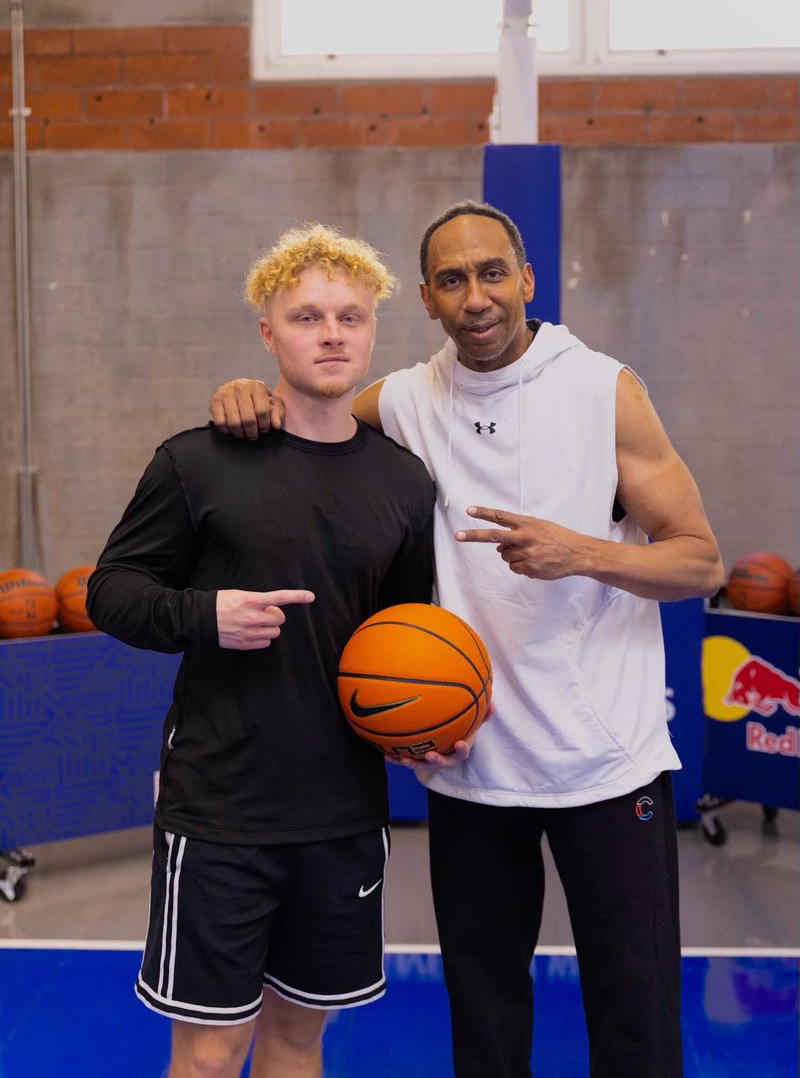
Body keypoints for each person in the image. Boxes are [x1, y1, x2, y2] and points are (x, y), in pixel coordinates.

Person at [209, 200, 724, 1078]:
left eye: (492, 273)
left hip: (607, 763)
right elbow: (315, 412)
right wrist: (247, 393)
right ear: (426, 298)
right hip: (472, 762)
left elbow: (701, 562)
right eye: (452, 280)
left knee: (635, 1018)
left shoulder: (604, 389)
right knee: (484, 1021)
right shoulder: (409, 397)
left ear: (526, 280)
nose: (475, 296)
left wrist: (582, 552)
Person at [86, 224, 435, 1078]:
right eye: (308, 315)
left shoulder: (402, 481)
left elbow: (406, 637)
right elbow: (111, 592)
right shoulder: (197, 463)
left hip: (343, 815)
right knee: (209, 1055)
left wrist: (423, 720)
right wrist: (206, 615)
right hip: (221, 812)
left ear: (373, 330)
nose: (331, 333)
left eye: (350, 316)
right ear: (268, 331)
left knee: (297, 1041)